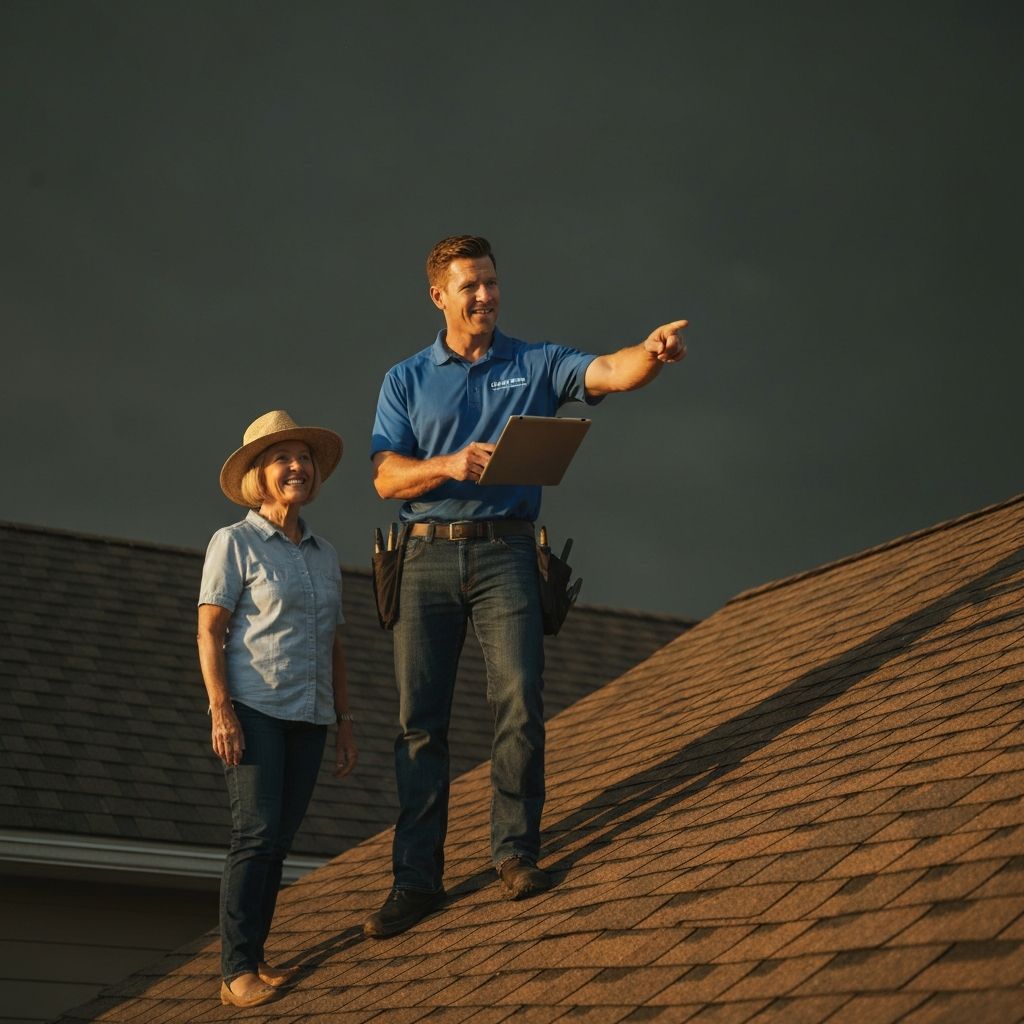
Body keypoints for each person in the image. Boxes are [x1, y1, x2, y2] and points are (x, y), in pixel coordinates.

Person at [364, 234, 687, 938]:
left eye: (491, 282)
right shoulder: (406, 379)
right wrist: (449, 465)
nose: (485, 295)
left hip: (508, 553)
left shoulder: (533, 361)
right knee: (420, 725)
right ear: (438, 296)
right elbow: (386, 477)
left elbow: (608, 372)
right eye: (470, 285)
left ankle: (514, 853)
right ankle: (415, 881)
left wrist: (651, 356)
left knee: (519, 700)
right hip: (422, 559)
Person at [197, 410, 357, 1008]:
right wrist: (221, 709)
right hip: (255, 707)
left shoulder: (323, 553)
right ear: (257, 476)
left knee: (280, 840)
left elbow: (335, 642)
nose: (297, 466)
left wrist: (345, 720)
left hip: (310, 715)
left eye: (304, 458)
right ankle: (235, 970)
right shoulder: (232, 543)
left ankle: (257, 956)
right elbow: (210, 632)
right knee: (256, 834)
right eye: (282, 458)